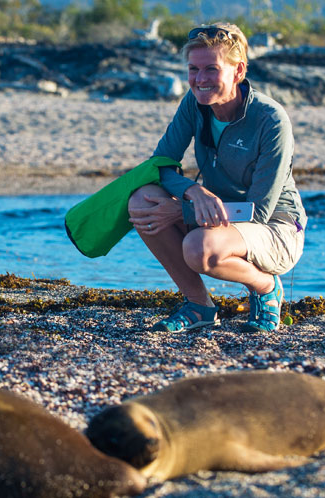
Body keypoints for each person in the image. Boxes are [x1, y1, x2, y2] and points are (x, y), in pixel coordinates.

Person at [127, 22, 307, 333]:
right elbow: (161, 165)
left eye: (211, 69)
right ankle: (199, 306)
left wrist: (180, 210)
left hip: (275, 229)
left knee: (200, 248)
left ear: (238, 71)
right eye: (193, 69)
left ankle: (266, 287)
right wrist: (192, 194)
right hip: (216, 216)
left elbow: (258, 211)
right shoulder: (194, 104)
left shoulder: (271, 120)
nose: (199, 79)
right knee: (142, 201)